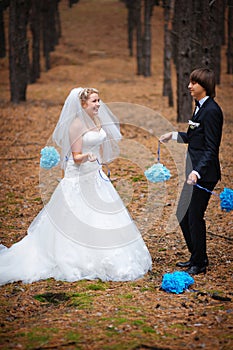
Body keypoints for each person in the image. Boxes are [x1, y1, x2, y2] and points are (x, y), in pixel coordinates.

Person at [0, 87, 152, 285]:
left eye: (99, 100)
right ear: (83, 104)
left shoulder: (96, 121)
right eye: (94, 102)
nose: (98, 105)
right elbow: (76, 157)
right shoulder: (76, 125)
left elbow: (100, 141)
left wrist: (100, 157)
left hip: (95, 175)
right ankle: (73, 257)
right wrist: (88, 156)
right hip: (79, 177)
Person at [159, 68, 223, 275]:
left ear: (204, 86)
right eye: (190, 82)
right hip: (192, 173)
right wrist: (173, 135)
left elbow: (211, 148)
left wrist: (197, 172)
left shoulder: (212, 110)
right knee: (182, 214)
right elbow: (193, 137)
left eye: (194, 83)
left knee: (194, 215)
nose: (189, 86)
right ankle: (196, 256)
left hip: (204, 174)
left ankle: (201, 262)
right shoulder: (199, 107)